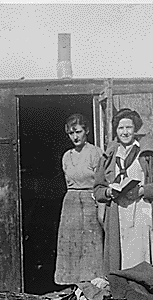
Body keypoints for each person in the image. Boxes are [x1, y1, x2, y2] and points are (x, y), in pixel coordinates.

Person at [93, 108, 153, 273]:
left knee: (142, 257)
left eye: (128, 127)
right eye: (120, 128)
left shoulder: (148, 153)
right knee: (122, 259)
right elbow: (98, 189)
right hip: (119, 215)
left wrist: (142, 190)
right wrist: (109, 193)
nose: (124, 132)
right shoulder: (109, 156)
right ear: (116, 131)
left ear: (135, 129)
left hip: (143, 214)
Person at [54, 113, 105, 285]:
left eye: (78, 131)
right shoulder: (67, 156)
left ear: (87, 131)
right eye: (71, 133)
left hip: (91, 201)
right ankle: (70, 285)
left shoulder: (96, 153)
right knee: (71, 245)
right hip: (71, 204)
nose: (75, 136)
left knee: (91, 243)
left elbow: (102, 181)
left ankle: (92, 284)